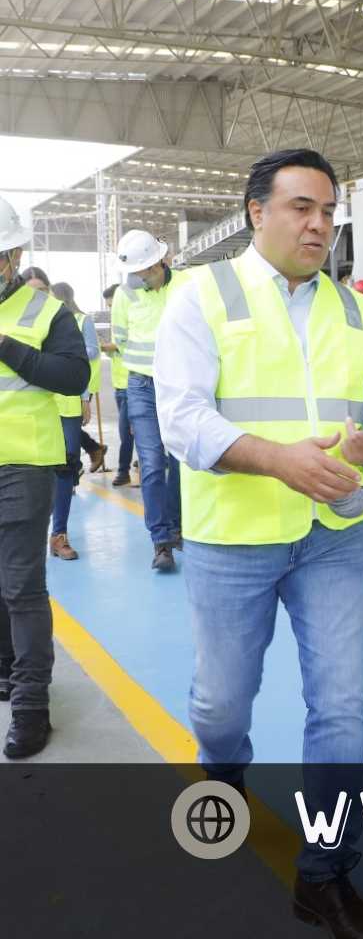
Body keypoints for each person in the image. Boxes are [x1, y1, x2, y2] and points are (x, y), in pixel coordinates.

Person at [156, 148, 363, 936]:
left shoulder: (359, 311)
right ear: (256, 212)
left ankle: (325, 874)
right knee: (222, 701)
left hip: (336, 536)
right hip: (236, 536)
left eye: (329, 211)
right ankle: (222, 770)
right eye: (302, 207)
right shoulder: (202, 296)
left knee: (341, 708)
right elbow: (182, 421)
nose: (320, 224)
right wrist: (280, 460)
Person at [0, 200, 89, 758]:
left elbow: (73, 375)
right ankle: (7, 671)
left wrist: (7, 349)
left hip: (23, 463)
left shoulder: (42, 312)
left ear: (11, 256)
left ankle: (32, 705)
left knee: (20, 584)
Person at [111, 229, 188, 570]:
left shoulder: (186, 285)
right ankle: (161, 542)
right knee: (153, 464)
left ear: (161, 260)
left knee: (181, 462)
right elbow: (121, 339)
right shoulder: (124, 294)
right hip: (141, 386)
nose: (141, 276)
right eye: (136, 272)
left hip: (182, 385)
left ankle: (176, 527)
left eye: (146, 269)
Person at [45, 283, 96, 562]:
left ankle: (59, 534)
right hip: (28, 409)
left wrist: (84, 397)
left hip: (66, 404)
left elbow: (81, 364)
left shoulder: (71, 321)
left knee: (66, 467)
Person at [100, 284, 135, 486]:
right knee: (132, 431)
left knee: (126, 431)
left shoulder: (131, 319)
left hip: (132, 384)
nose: (112, 309)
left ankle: (123, 471)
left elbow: (123, 345)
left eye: (113, 304)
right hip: (120, 385)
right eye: (109, 306)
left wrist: (102, 346)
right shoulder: (117, 322)